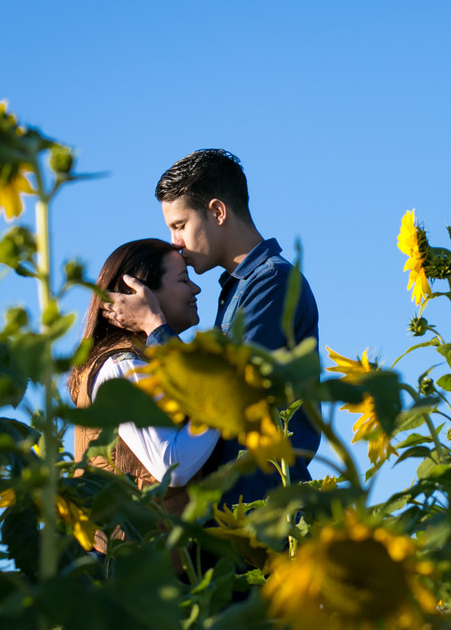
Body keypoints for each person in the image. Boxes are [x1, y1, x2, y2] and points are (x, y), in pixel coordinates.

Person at [101, 149, 321, 505]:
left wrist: (154, 325)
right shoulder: (239, 288)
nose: (175, 242)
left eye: (179, 225)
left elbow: (227, 388)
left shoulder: (272, 283)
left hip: (268, 509)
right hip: (237, 512)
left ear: (217, 212)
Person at [68, 238, 219, 549]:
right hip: (133, 574)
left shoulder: (143, 360)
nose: (196, 290)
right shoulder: (121, 367)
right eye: (183, 280)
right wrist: (223, 400)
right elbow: (171, 465)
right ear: (140, 295)